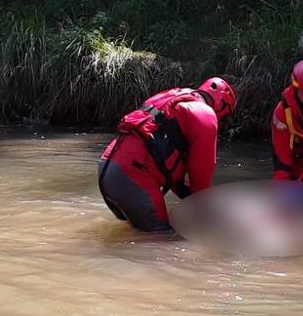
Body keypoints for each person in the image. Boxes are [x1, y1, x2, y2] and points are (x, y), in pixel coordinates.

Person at [97, 77, 236, 232]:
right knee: (163, 239)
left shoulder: (171, 98)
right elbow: (201, 173)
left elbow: (165, 161)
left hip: (107, 168)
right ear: (222, 105)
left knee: (138, 234)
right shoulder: (206, 115)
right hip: (133, 175)